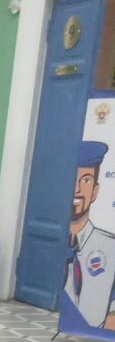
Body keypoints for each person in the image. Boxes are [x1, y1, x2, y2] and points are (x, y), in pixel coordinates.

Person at [63, 140, 115, 330]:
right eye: (72, 179)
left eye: (85, 180)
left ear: (95, 191)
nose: (77, 189)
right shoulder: (55, 244)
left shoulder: (110, 248)